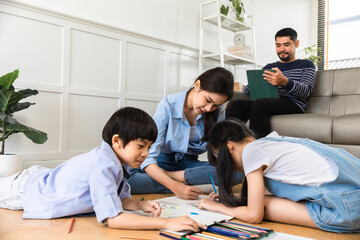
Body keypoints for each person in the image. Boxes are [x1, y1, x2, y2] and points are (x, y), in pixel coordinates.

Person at [0, 107, 205, 232]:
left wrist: (141, 206)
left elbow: (120, 200)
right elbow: (113, 219)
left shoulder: (119, 163)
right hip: (26, 188)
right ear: (117, 141)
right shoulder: (104, 165)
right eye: (141, 146)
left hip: (39, 178)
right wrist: (166, 224)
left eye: (149, 148)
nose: (146, 154)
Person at [198, 119, 360, 233]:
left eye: (222, 158)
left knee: (264, 204)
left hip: (347, 209)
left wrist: (216, 207)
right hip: (352, 196)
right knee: (260, 198)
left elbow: (254, 215)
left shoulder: (250, 152)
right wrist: (235, 197)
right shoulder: (273, 141)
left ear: (230, 147)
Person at [128, 67, 243, 200]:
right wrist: (175, 187)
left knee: (237, 173)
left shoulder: (217, 112)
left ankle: (167, 177)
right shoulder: (168, 105)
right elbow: (148, 157)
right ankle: (189, 184)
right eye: (208, 100)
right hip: (161, 161)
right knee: (129, 180)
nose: (209, 109)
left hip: (188, 166)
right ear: (197, 85)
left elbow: (220, 155)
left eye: (216, 105)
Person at [226, 27, 317, 138]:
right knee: (237, 105)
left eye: (286, 45)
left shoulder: (306, 65)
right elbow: (250, 89)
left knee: (261, 103)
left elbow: (306, 92)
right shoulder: (269, 67)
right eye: (278, 45)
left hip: (293, 104)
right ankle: (230, 144)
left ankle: (260, 146)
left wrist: (284, 81)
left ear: (296, 44)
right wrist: (249, 86)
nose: (281, 49)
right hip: (267, 102)